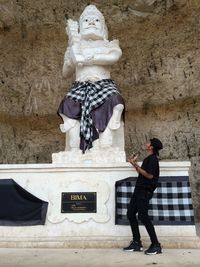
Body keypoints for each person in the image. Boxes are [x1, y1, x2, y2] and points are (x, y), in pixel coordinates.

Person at [58, 5, 124, 153]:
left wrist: (90, 59)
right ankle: (75, 143)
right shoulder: (73, 47)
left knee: (114, 99)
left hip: (103, 85)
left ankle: (106, 139)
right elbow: (65, 72)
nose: (92, 22)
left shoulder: (109, 44)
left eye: (96, 20)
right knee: (67, 104)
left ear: (103, 27)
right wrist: (71, 61)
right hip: (80, 86)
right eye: (86, 20)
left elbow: (114, 57)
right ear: (80, 27)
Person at [123, 138, 163, 255]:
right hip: (139, 190)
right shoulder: (148, 159)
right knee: (130, 213)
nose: (146, 144)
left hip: (144, 191)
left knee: (143, 216)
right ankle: (136, 242)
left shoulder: (153, 159)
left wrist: (136, 164)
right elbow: (143, 173)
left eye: (148, 143)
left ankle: (156, 245)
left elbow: (150, 176)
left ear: (151, 147)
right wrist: (134, 164)